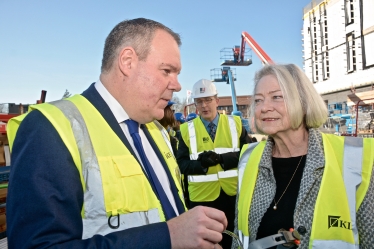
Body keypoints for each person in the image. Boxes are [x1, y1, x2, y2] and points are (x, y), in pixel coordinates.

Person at [6, 18, 228, 249]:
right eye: (167, 71)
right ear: (127, 61)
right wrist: (167, 237)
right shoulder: (51, 128)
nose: (177, 85)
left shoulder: (157, 131)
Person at [232, 64, 374, 249]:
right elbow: (238, 235)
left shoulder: (355, 157)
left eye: (277, 97)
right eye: (258, 100)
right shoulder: (249, 158)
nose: (264, 107)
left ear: (303, 102)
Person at [177, 79, 251, 249]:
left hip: (232, 196)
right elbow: (181, 164)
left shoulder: (235, 124)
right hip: (202, 199)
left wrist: (223, 159)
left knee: (233, 240)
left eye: (208, 100)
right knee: (207, 244)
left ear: (217, 101)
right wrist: (201, 165)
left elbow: (249, 155)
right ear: (195, 104)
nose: (204, 105)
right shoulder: (186, 130)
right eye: (200, 101)